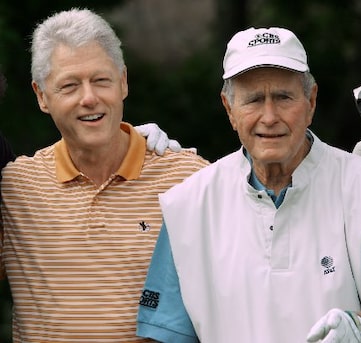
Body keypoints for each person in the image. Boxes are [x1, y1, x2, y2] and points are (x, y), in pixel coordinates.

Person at [136, 27, 361, 342]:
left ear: (311, 101)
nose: (269, 116)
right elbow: (165, 334)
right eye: (254, 100)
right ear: (229, 109)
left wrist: (358, 326)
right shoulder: (188, 205)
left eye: (283, 97)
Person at [0, 8, 209, 342]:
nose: (89, 98)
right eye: (69, 86)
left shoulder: (191, 180)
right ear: (41, 96)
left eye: (101, 80)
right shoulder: (14, 187)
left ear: (123, 81)